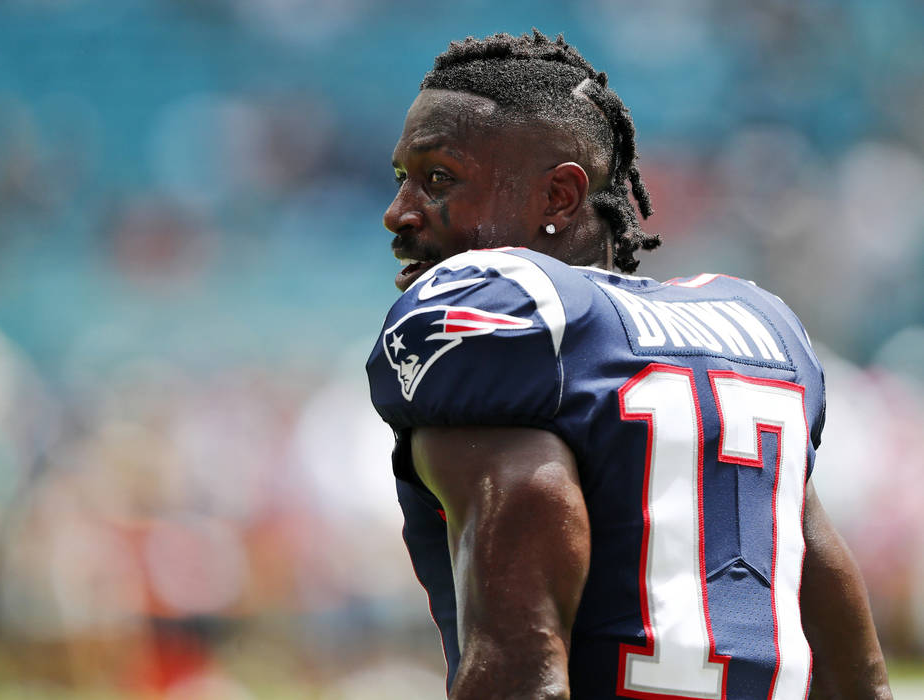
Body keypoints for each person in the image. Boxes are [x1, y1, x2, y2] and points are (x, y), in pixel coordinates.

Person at [365, 31, 891, 699]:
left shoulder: (507, 323)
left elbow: (525, 672)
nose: (398, 212)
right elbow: (856, 678)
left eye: (439, 178)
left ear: (558, 197)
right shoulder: (754, 330)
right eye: (401, 178)